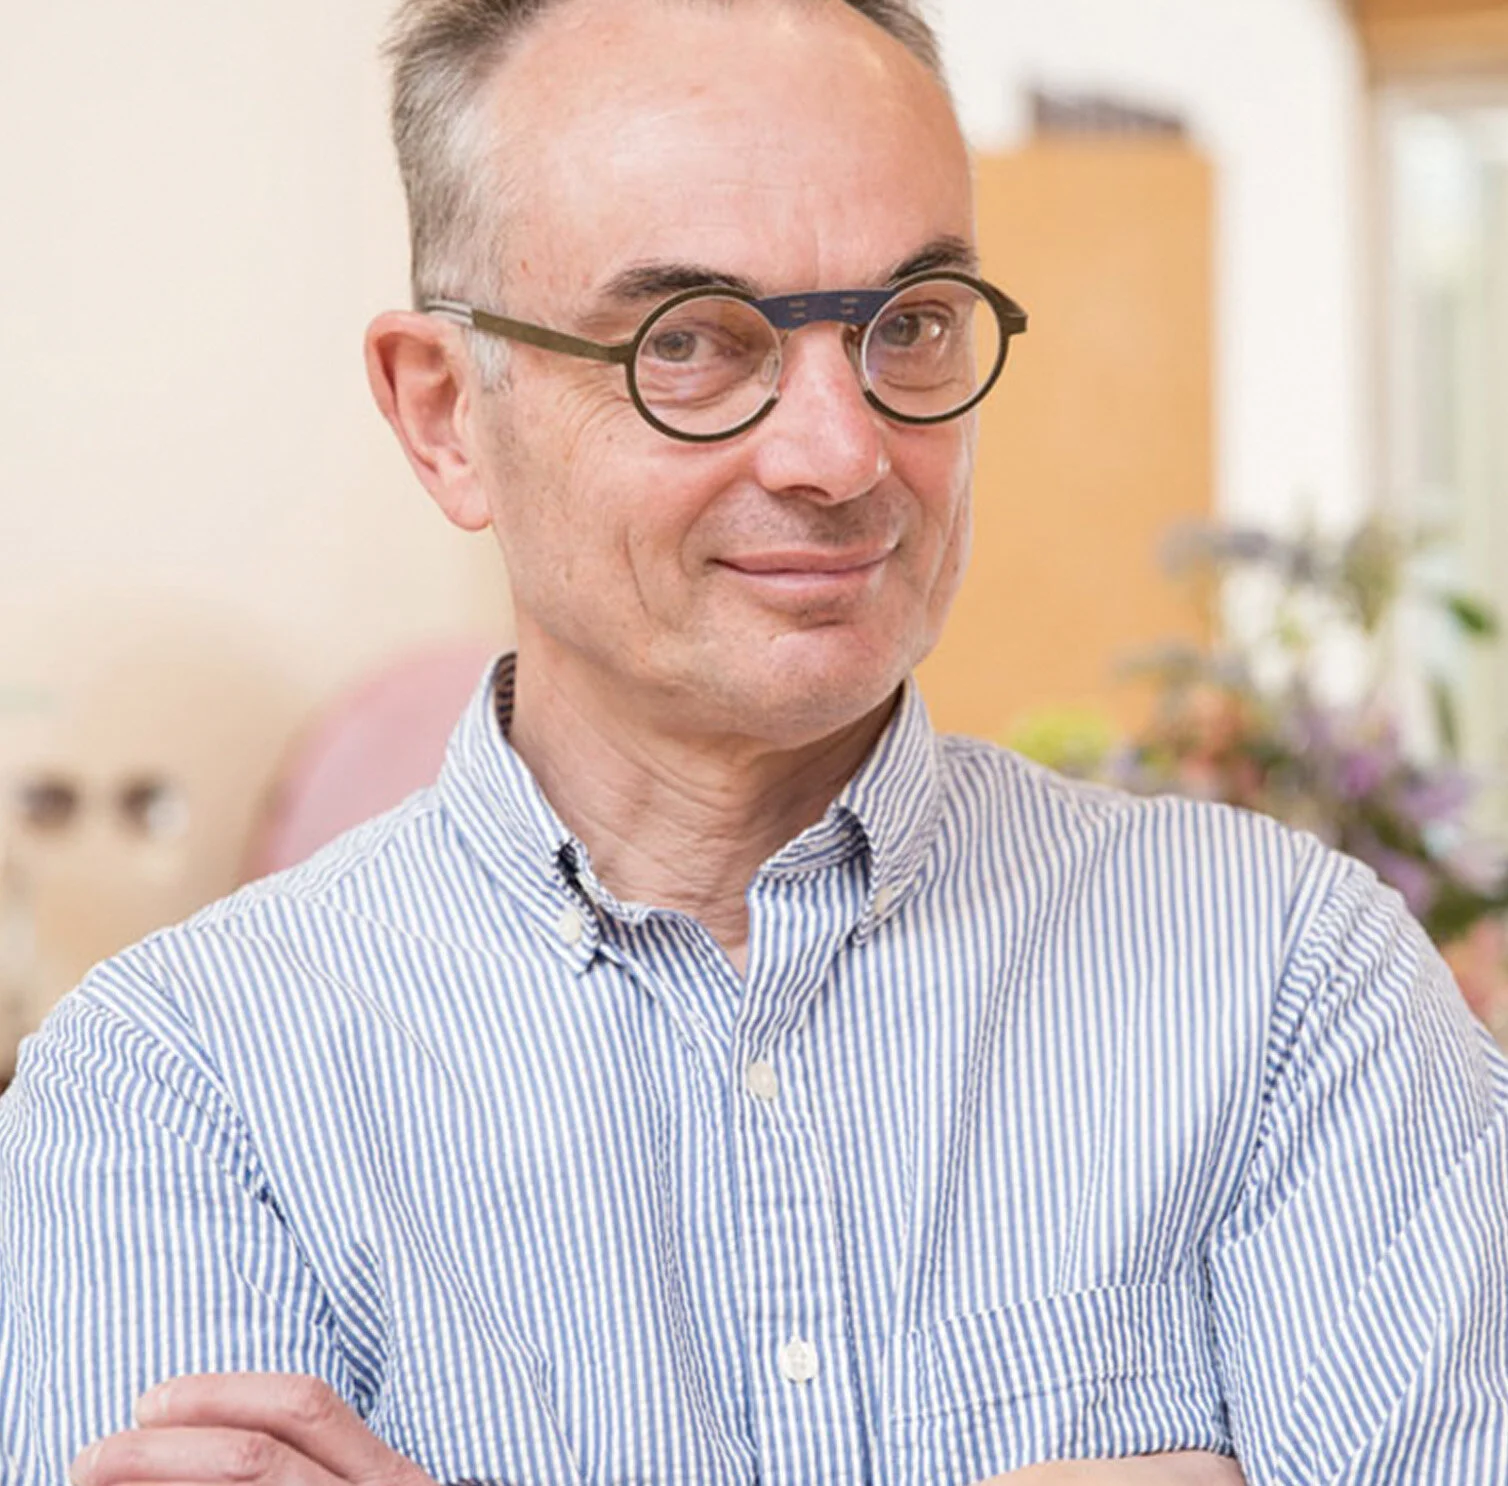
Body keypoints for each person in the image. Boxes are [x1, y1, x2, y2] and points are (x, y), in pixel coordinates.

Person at [3, 0, 1506, 1481]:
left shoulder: (1291, 983)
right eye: (693, 343)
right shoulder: (180, 1091)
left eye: (912, 325)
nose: (842, 454)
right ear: (446, 413)